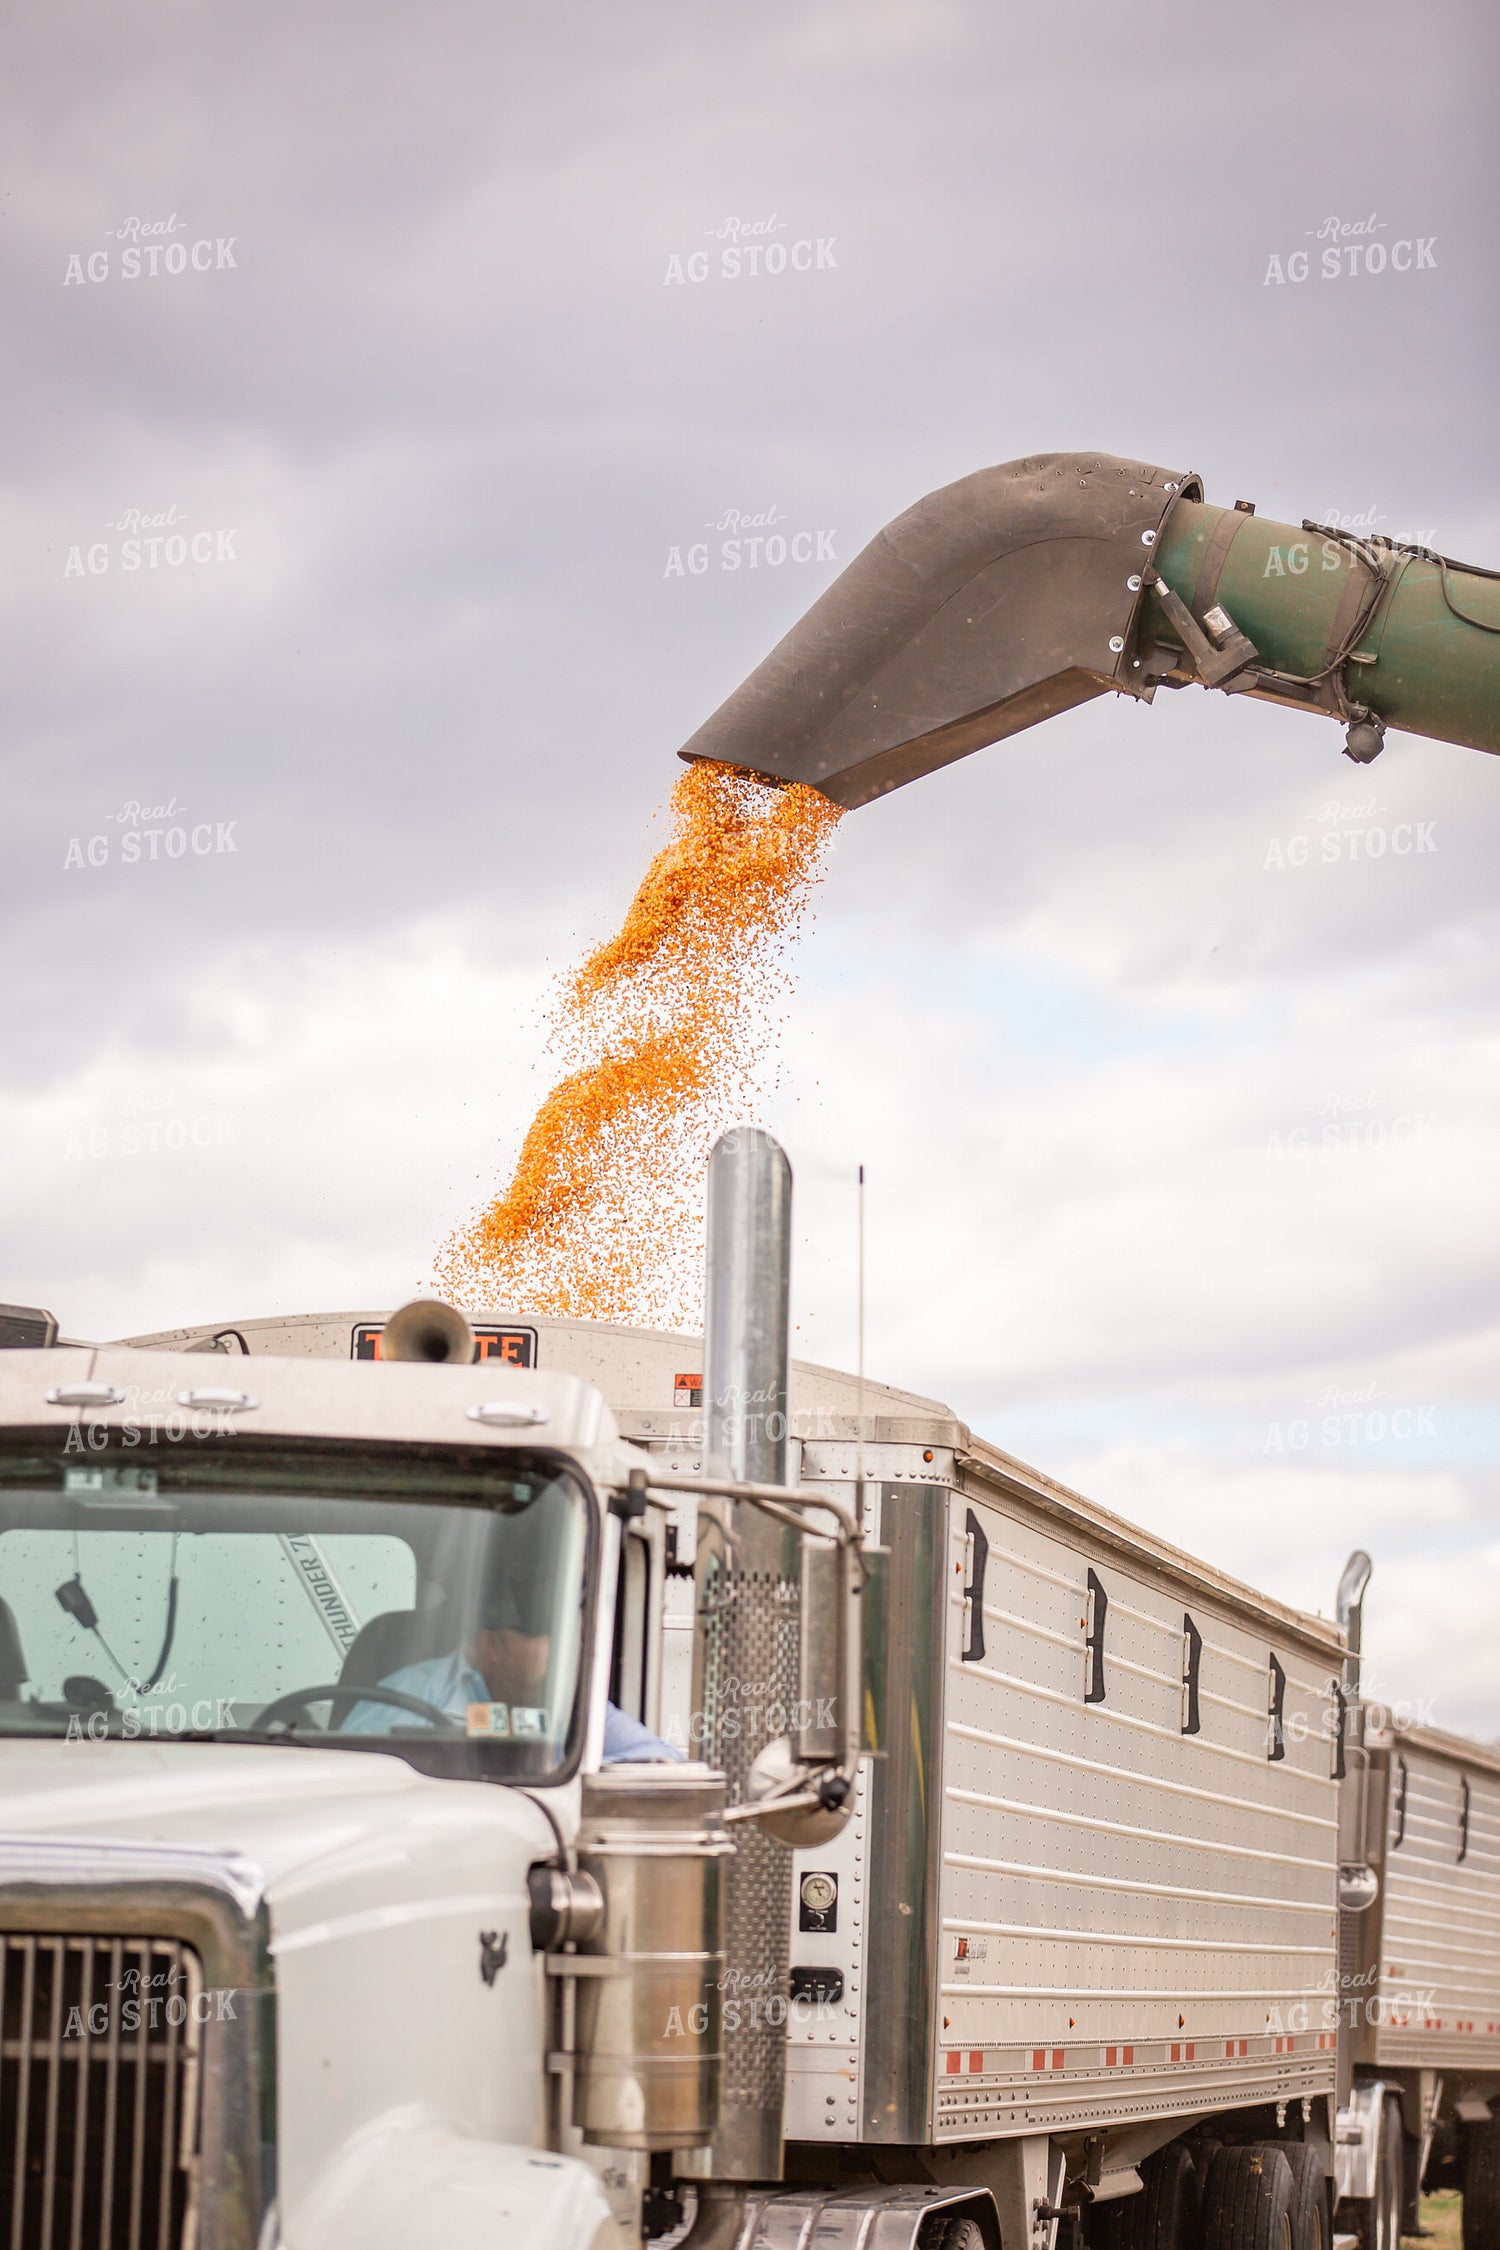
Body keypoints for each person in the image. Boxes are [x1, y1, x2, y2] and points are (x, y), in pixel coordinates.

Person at [339, 1549, 679, 1763]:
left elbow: (662, 1760)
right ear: (493, 1647)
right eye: (548, 1636)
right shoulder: (409, 1695)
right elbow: (352, 1774)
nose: (570, 1649)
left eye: (570, 1635)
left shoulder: (570, 1702)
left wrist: (576, 1770)